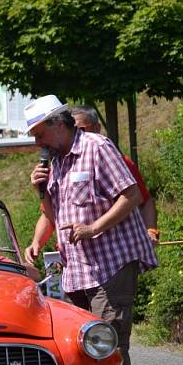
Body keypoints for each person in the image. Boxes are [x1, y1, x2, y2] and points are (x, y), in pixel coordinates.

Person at [24, 94, 158, 365]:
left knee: (108, 349)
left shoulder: (97, 147)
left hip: (111, 265)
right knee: (75, 351)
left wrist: (95, 227)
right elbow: (53, 213)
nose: (37, 143)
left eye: (38, 134)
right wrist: (40, 194)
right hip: (77, 270)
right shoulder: (57, 161)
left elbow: (131, 195)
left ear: (58, 124)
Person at [25, 106, 159, 263]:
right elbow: (52, 217)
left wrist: (151, 230)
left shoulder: (103, 150)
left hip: (109, 262)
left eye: (81, 128)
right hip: (75, 266)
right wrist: (37, 242)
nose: (38, 143)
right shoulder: (57, 163)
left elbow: (139, 197)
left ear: (97, 128)